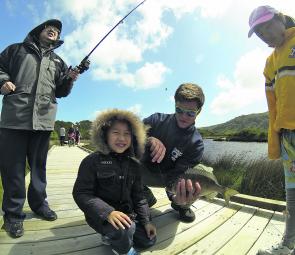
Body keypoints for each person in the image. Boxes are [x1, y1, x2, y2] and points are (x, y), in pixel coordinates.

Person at [0, 19, 81, 238]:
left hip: (44, 121)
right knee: (13, 170)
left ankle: (38, 205)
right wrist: (3, 81)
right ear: (40, 31)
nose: (54, 29)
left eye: (58, 30)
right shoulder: (15, 50)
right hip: (14, 119)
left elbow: (62, 91)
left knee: (38, 168)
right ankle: (13, 215)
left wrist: (70, 79)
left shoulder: (58, 61)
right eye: (50, 27)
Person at [73, 109, 157, 255]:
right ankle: (120, 247)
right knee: (125, 230)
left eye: (127, 134)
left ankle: (120, 235)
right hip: (100, 216)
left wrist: (146, 221)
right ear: (104, 134)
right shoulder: (91, 161)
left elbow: (139, 196)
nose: (121, 138)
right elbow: (81, 193)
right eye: (115, 132)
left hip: (127, 214)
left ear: (134, 137)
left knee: (148, 240)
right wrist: (108, 213)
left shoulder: (134, 165)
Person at [248, 5, 295, 255]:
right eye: (259, 32)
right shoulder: (269, 63)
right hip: (288, 137)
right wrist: (275, 139)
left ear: (280, 18)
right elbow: (272, 106)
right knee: (292, 194)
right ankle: (288, 244)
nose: (264, 34)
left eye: (267, 25)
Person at [141, 83, 204, 223]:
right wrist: (148, 139)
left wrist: (176, 198)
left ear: (198, 111)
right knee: (120, 159)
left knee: (197, 175)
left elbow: (180, 174)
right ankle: (144, 196)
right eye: (179, 110)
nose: (183, 116)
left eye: (190, 113)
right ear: (175, 104)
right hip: (145, 172)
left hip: (173, 177)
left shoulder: (196, 143)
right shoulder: (156, 120)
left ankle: (181, 206)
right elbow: (128, 134)